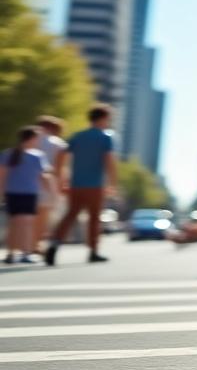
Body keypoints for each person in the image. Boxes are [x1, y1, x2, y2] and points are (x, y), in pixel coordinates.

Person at [46, 104, 119, 265]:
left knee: (70, 215)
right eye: (108, 119)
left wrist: (59, 177)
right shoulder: (105, 137)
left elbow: (61, 155)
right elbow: (109, 161)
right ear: (102, 119)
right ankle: (93, 251)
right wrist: (113, 183)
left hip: (76, 185)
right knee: (94, 218)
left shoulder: (78, 136)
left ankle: (54, 244)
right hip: (95, 185)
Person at [2, 128, 48, 264]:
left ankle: (14, 252)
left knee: (16, 223)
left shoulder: (35, 155)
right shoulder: (12, 154)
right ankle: (23, 252)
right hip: (24, 193)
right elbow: (43, 176)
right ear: (31, 138)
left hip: (18, 193)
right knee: (24, 223)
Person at [33, 116, 67, 251]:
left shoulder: (31, 140)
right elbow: (59, 168)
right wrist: (60, 186)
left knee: (29, 216)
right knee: (43, 216)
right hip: (49, 181)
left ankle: (26, 245)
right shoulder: (58, 144)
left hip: (27, 182)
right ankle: (36, 245)